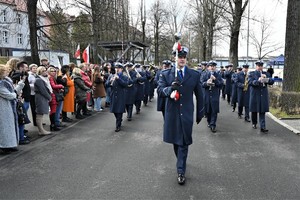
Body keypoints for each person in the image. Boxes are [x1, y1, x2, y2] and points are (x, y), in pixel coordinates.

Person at [157, 46, 204, 185]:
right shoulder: (165, 74)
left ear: (186, 59)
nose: (182, 59)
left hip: (187, 113)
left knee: (184, 141)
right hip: (172, 113)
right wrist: (170, 88)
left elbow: (200, 95)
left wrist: (201, 112)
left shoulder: (194, 74)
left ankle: (180, 171)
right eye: (179, 56)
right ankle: (181, 161)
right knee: (176, 142)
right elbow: (160, 90)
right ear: (174, 58)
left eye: (184, 57)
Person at [248, 60, 274, 133]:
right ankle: (254, 123)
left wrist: (267, 79)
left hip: (263, 94)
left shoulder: (266, 73)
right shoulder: (252, 73)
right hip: (255, 94)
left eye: (261, 66)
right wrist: (258, 80)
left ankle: (263, 127)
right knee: (254, 110)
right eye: (259, 66)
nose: (260, 67)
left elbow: (272, 81)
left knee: (262, 111)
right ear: (256, 66)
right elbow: (250, 82)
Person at [0, 64, 19, 153]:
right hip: (3, 107)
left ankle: (11, 144)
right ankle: (5, 145)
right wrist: (15, 94)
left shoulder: (6, 81)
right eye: (5, 71)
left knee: (9, 126)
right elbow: (9, 95)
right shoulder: (1, 84)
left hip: (8, 107)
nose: (7, 72)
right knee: (4, 127)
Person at [201, 60, 223, 133]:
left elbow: (221, 85)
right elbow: (201, 84)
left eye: (213, 66)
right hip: (207, 94)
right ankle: (209, 121)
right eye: (211, 66)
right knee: (208, 110)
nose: (212, 68)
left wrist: (215, 80)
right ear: (208, 67)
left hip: (214, 95)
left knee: (214, 110)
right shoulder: (204, 74)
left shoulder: (218, 75)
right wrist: (206, 83)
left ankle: (213, 124)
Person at [105, 62, 129, 132]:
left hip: (121, 95)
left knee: (119, 111)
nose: (117, 69)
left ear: (121, 69)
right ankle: (119, 119)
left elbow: (125, 85)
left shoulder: (124, 77)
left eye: (118, 68)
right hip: (113, 96)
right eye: (116, 68)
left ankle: (118, 125)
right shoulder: (111, 76)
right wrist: (110, 81)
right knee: (115, 111)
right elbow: (106, 85)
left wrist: (118, 79)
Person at [34, 66, 52, 136]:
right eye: (43, 71)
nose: (45, 72)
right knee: (39, 114)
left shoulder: (44, 79)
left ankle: (41, 130)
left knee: (41, 114)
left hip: (42, 97)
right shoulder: (39, 80)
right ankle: (41, 130)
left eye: (45, 70)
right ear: (39, 72)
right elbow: (43, 90)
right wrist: (49, 97)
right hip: (40, 97)